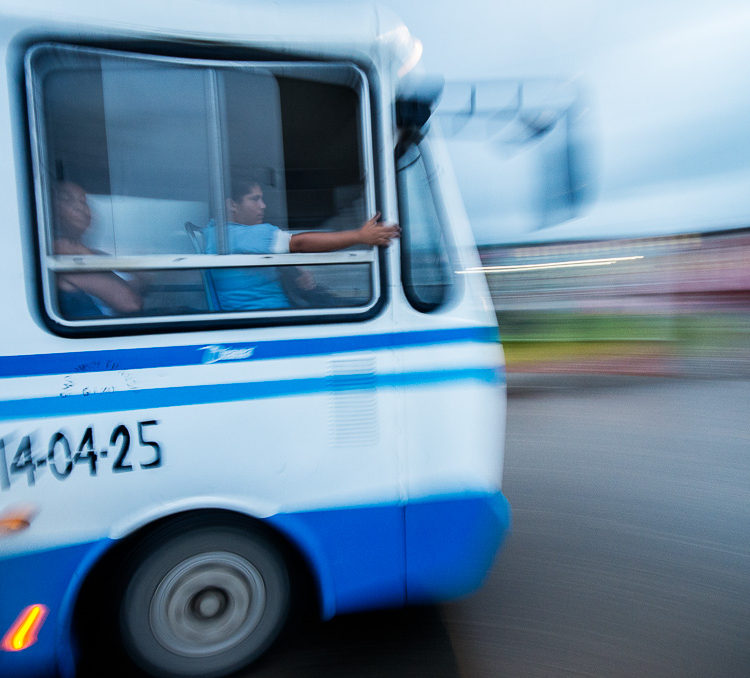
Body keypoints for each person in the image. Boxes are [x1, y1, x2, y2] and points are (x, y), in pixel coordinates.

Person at [205, 177, 400, 311]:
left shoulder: (214, 232)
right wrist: (360, 236)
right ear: (232, 204)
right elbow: (299, 243)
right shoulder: (246, 235)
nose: (263, 206)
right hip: (270, 313)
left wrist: (293, 269)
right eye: (254, 199)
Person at [52, 181, 143, 319]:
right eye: (67, 199)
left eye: (84, 201)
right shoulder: (62, 253)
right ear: (51, 209)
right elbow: (130, 303)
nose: (80, 207)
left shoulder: (88, 252)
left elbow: (134, 285)